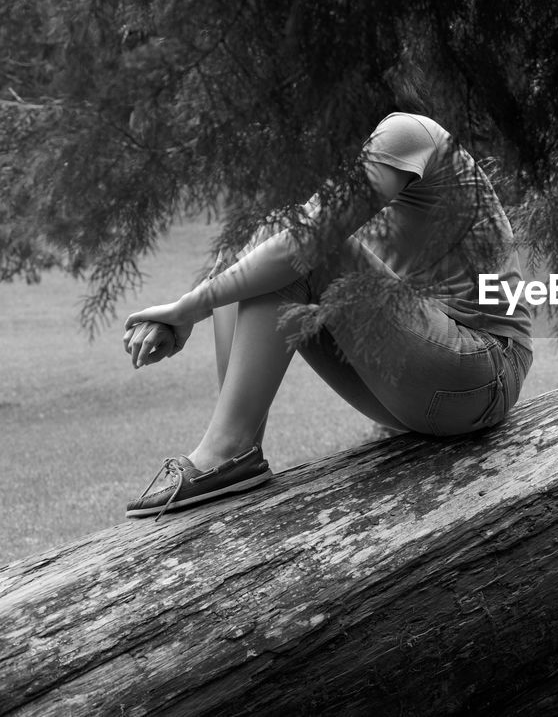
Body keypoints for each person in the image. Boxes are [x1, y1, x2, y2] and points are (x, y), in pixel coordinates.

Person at [121, 112, 533, 519]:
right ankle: (233, 453)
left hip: (484, 367)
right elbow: (267, 254)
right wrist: (183, 312)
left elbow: (304, 244)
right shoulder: (363, 172)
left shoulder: (406, 131)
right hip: (430, 384)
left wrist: (186, 310)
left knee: (294, 242)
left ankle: (227, 452)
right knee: (260, 252)